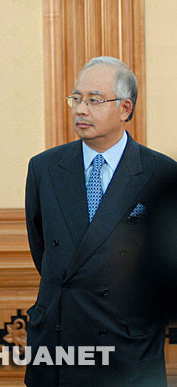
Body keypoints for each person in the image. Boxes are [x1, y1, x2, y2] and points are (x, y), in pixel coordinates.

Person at [24, 56, 177, 386]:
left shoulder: (161, 173)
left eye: (94, 100)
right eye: (76, 98)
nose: (80, 109)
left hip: (127, 344)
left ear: (124, 109)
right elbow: (43, 250)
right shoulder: (45, 168)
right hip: (59, 338)